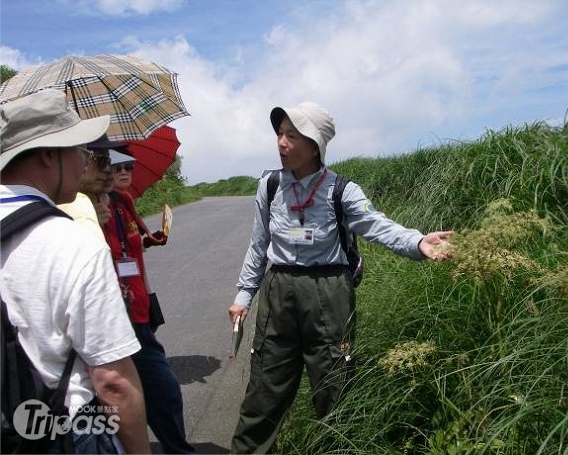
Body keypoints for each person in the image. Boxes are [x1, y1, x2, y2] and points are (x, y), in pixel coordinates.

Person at [228, 101, 453, 454]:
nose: (281, 143)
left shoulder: (341, 190)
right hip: (278, 292)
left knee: (334, 388)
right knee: (264, 390)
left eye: (291, 136)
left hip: (328, 295)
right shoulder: (269, 186)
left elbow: (377, 225)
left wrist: (417, 241)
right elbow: (258, 246)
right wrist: (243, 296)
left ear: (314, 144)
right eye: (280, 134)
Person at [0, 89, 151, 454]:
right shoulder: (73, 241)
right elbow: (113, 381)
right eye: (79, 152)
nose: (84, 165)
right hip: (60, 429)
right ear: (50, 155)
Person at [98, 155, 194, 454]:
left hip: (137, 309)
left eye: (129, 166)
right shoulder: (84, 211)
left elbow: (134, 244)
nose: (125, 171)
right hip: (111, 317)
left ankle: (176, 448)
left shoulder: (123, 201)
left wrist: (150, 241)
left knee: (162, 390)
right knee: (121, 392)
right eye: (116, 167)